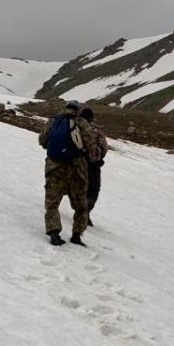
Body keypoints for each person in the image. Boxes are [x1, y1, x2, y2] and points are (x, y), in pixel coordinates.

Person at [38, 100, 96, 247]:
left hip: (54, 168)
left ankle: (54, 233)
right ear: (78, 110)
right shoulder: (81, 122)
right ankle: (76, 235)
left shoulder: (53, 121)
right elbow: (91, 146)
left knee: (52, 203)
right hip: (77, 170)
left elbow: (43, 141)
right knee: (80, 205)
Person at [79, 107, 108, 226]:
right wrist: (99, 159)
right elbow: (104, 147)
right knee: (92, 190)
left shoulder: (75, 127)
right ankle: (85, 214)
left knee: (78, 188)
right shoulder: (95, 131)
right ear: (91, 118)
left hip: (75, 163)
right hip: (92, 166)